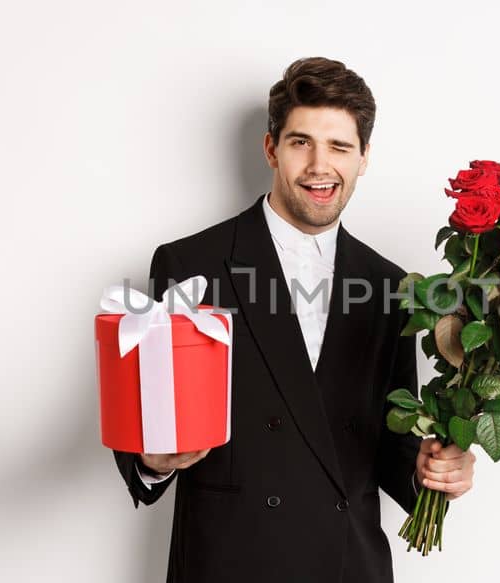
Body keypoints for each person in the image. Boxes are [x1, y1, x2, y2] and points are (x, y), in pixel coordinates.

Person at [110, 57, 478, 583]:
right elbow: (150, 425)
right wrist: (153, 460)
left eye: (339, 147)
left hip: (347, 564)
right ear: (271, 149)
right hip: (230, 561)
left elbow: (390, 440)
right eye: (301, 142)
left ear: (364, 157)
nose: (319, 166)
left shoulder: (392, 285)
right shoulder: (191, 264)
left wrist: (435, 471)